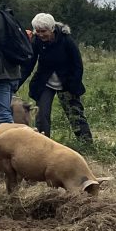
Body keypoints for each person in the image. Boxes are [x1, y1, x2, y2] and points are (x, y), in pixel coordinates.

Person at [26, 13, 93, 143]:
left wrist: (74, 84)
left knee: (75, 113)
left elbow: (77, 64)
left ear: (52, 29)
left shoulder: (66, 40)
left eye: (43, 31)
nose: (40, 34)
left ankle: (86, 142)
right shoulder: (37, 41)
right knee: (42, 114)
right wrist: (16, 83)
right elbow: (29, 64)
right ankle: (43, 142)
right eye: (37, 31)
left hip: (66, 82)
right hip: (45, 83)